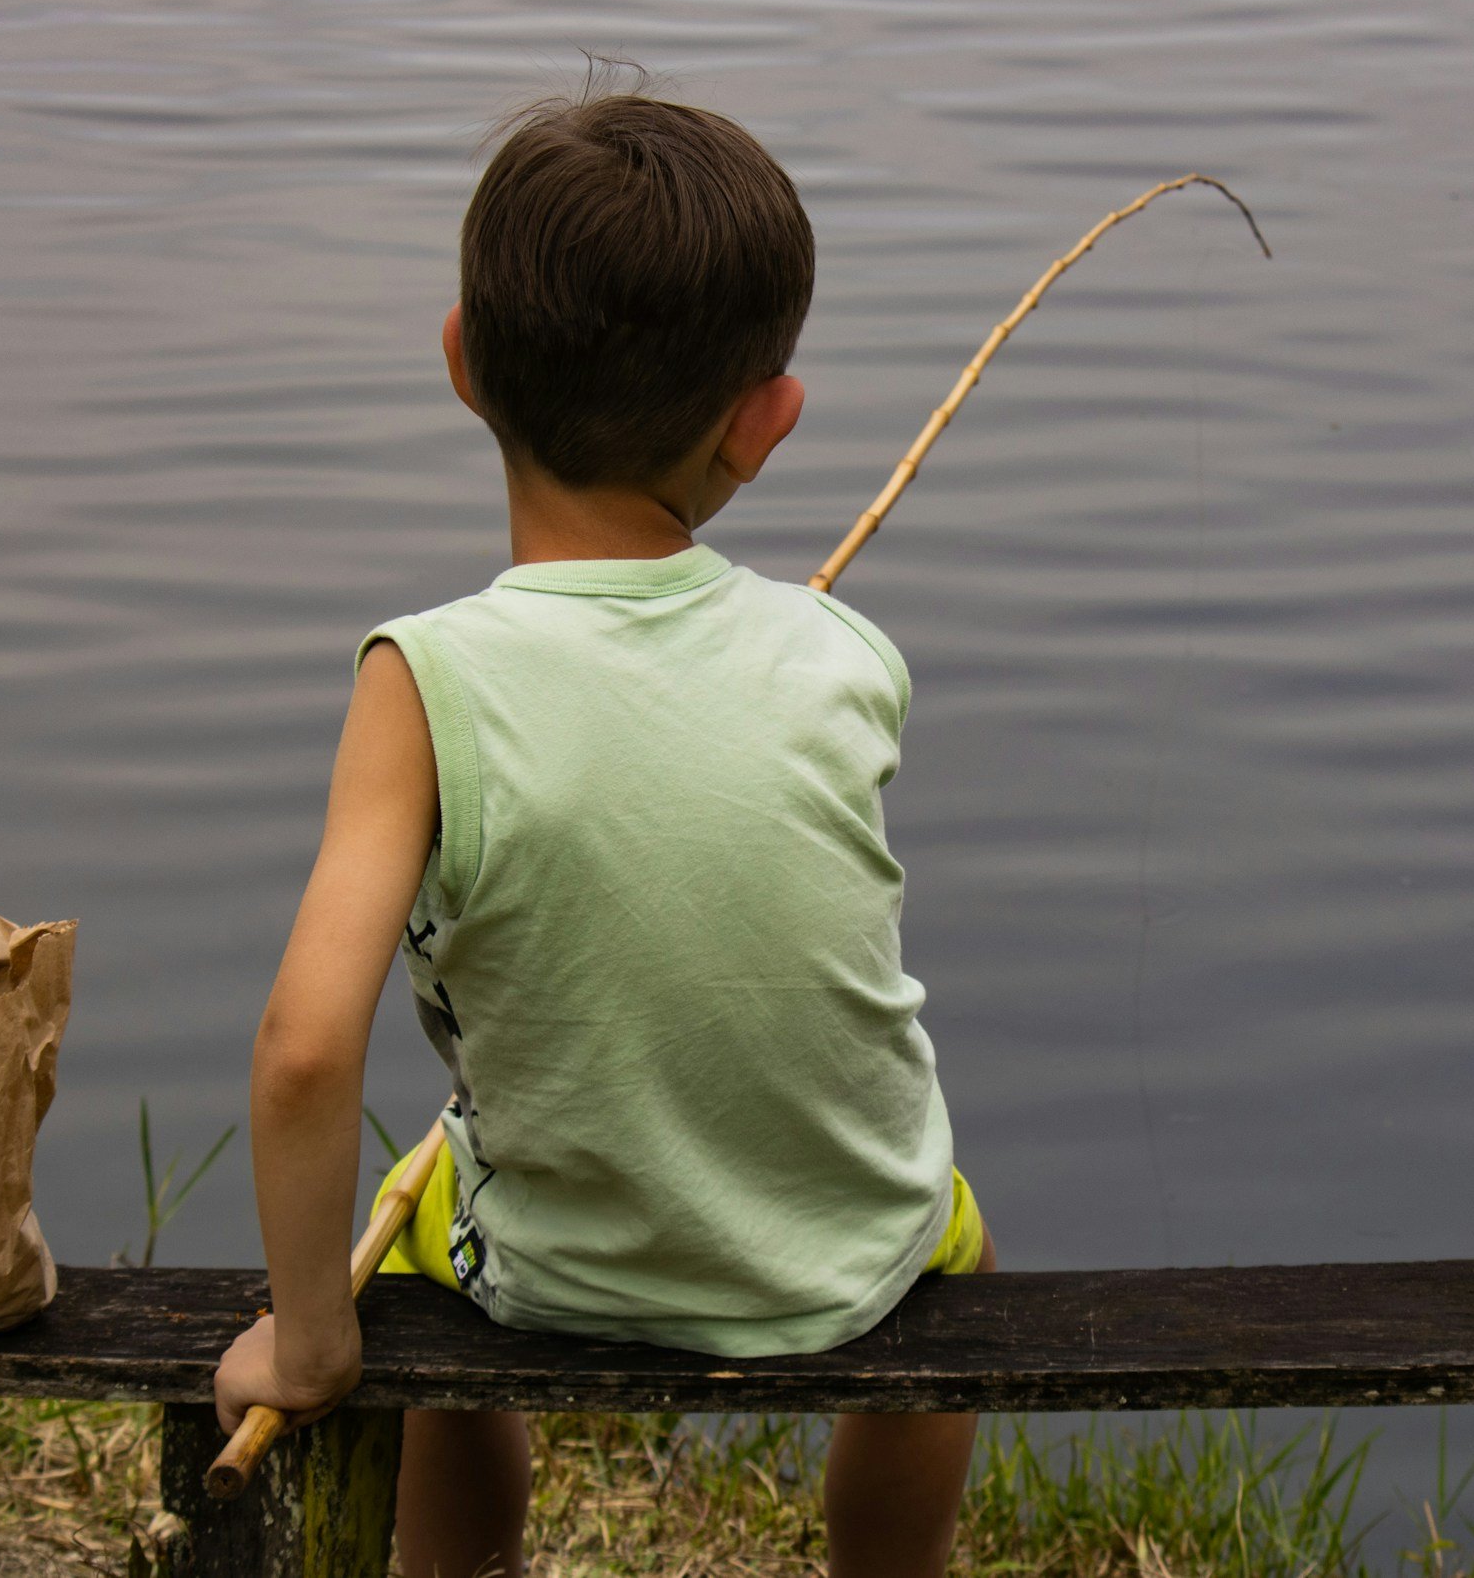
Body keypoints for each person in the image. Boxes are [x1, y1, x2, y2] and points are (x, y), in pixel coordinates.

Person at [211, 79, 992, 1578]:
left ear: (461, 363)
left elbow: (308, 1048)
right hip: (849, 1263)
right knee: (964, 1255)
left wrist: (310, 1341)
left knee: (431, 1225)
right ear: (764, 426)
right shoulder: (846, 655)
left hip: (553, 1273)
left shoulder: (421, 681)